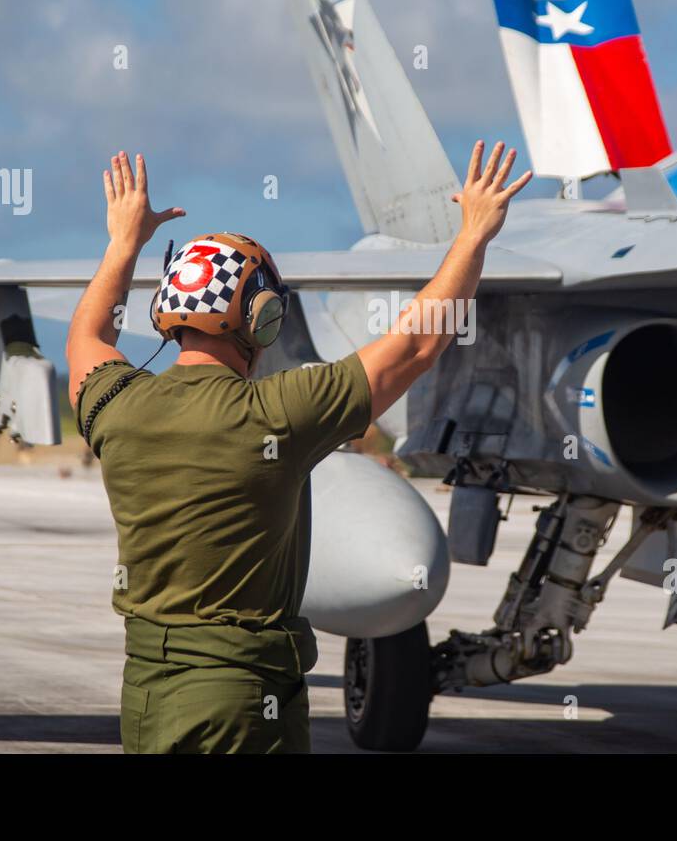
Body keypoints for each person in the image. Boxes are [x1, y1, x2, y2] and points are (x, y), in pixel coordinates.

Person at [66, 143, 530, 753]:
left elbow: (86, 337)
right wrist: (473, 236)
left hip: (146, 693)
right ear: (261, 322)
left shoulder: (116, 407)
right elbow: (417, 344)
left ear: (165, 312)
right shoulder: (278, 413)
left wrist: (123, 243)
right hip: (242, 699)